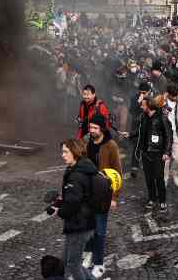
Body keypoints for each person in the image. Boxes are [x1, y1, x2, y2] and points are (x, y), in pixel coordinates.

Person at [49, 139, 97, 280]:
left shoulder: (76, 175)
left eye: (65, 152)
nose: (62, 155)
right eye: (62, 151)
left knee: (72, 264)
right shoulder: (79, 168)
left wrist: (60, 211)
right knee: (66, 261)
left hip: (80, 225)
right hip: (81, 223)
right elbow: (74, 197)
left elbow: (73, 203)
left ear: (75, 152)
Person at [85, 114, 121, 278]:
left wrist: (114, 197)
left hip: (103, 194)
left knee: (99, 230)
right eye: (90, 127)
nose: (91, 131)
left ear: (102, 129)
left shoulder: (110, 146)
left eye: (95, 128)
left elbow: (118, 172)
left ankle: (99, 263)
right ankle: (88, 255)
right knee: (87, 228)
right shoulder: (87, 142)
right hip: (87, 193)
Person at [135, 96, 171, 211]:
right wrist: (129, 134)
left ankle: (162, 200)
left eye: (143, 105)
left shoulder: (162, 118)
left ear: (149, 106)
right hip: (146, 153)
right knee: (148, 178)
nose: (141, 107)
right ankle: (152, 198)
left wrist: (166, 152)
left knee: (159, 177)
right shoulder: (143, 117)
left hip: (158, 153)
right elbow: (140, 131)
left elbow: (168, 136)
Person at [156, 83, 178, 187]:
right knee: (165, 160)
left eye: (177, 95)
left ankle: (174, 173)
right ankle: (164, 181)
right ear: (168, 94)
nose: (175, 97)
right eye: (173, 95)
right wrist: (162, 99)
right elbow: (152, 106)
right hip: (164, 135)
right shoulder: (161, 100)